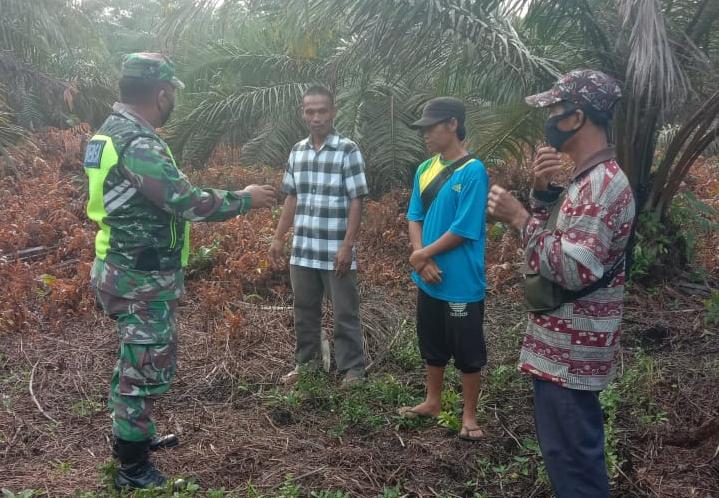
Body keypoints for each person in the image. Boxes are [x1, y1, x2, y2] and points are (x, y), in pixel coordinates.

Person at [83, 52, 275, 490]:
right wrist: (244, 197)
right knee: (144, 366)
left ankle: (136, 438)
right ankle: (132, 467)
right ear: (162, 93)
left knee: (135, 359)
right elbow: (186, 201)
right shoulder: (138, 143)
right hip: (139, 278)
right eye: (172, 95)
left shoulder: (106, 134)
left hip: (122, 267)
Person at [487, 70, 635, 497]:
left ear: (577, 117)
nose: (549, 118)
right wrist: (542, 196)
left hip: (572, 356)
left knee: (575, 469)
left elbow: (574, 267)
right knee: (566, 459)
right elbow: (563, 237)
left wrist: (518, 217)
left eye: (555, 109)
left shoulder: (602, 184)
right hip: (562, 351)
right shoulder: (585, 179)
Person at [398, 97, 490, 441]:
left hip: (461, 280)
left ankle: (469, 416)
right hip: (428, 277)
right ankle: (432, 401)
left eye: (430, 127)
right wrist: (421, 258)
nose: (425, 135)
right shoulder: (425, 169)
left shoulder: (473, 171)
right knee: (432, 342)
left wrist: (422, 256)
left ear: (452, 125)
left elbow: (463, 229)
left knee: (468, 351)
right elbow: (414, 216)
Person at [269, 85, 369, 386]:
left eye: (322, 111)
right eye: (310, 111)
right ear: (303, 113)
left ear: (333, 112)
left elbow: (356, 199)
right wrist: (278, 237)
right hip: (303, 250)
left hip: (335, 249)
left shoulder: (347, 150)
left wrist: (347, 246)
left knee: (344, 312)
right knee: (304, 311)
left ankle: (353, 369)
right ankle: (308, 364)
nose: (316, 117)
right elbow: (292, 198)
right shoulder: (297, 151)